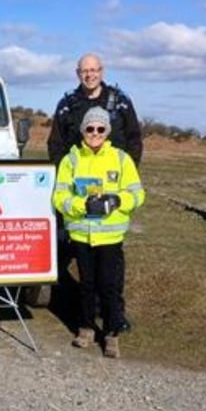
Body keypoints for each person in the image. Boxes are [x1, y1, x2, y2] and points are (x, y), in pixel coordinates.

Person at [47, 52, 143, 331]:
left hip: (113, 201)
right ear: (78, 73)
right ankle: (83, 316)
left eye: (94, 70)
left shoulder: (120, 102)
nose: (89, 75)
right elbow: (56, 146)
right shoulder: (67, 104)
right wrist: (65, 178)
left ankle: (115, 316)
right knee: (82, 265)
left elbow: (135, 139)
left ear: (102, 71)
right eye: (84, 71)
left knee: (113, 268)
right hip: (79, 202)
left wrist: (126, 174)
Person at [51, 107, 145, 358]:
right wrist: (83, 205)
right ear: (83, 131)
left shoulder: (121, 159)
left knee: (109, 285)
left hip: (110, 236)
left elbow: (137, 194)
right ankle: (86, 328)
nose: (95, 133)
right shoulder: (71, 160)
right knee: (87, 285)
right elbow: (59, 197)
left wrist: (116, 200)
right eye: (90, 128)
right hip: (82, 234)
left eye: (100, 129)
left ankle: (112, 333)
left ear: (107, 132)